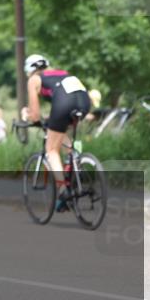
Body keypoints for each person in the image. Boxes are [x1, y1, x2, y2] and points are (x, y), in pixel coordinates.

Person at [21, 54, 91, 211]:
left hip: (64, 103)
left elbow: (35, 115)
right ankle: (76, 164)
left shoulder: (34, 79)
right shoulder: (62, 73)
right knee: (61, 133)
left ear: (30, 70)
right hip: (84, 102)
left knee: (51, 149)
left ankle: (62, 191)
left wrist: (26, 115)